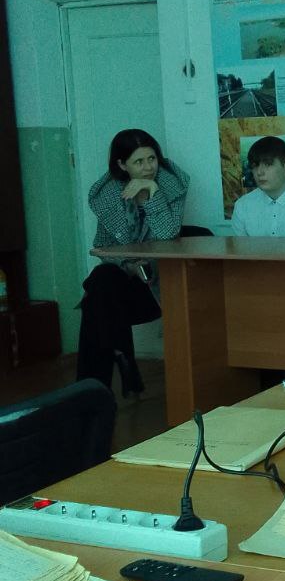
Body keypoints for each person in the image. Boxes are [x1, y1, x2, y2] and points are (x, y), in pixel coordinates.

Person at [76, 128, 189, 396]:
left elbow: (167, 233)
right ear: (122, 165)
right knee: (102, 281)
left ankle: (91, 391)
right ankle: (120, 359)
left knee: (95, 302)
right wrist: (129, 265)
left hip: (161, 283)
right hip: (125, 282)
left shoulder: (172, 184)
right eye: (139, 162)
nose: (148, 167)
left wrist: (152, 192)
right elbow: (104, 248)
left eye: (152, 159)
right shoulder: (107, 195)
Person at [231, 136, 285, 237]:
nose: (259, 172)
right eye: (255, 165)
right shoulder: (242, 206)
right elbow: (240, 246)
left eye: (268, 164)